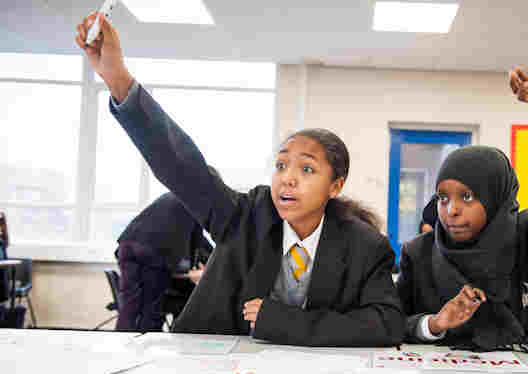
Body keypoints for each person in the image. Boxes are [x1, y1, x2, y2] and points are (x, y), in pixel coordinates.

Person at [74, 12, 404, 347]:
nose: (287, 179)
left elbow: (386, 323)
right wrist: (117, 78)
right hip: (214, 370)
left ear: (335, 185)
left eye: (306, 170)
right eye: (281, 166)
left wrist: (281, 321)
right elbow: (180, 164)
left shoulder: (364, 245)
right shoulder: (246, 215)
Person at [396, 68, 528, 351]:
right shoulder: (419, 254)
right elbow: (391, 321)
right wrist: (434, 323)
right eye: (442, 198)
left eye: (466, 197)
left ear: (494, 198)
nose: (450, 210)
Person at [115, 192, 213, 332]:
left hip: (127, 245)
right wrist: (210, 263)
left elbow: (195, 240)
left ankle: (122, 346)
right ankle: (144, 348)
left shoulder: (174, 194)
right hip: (152, 250)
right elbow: (197, 241)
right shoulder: (196, 199)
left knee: (129, 304)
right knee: (152, 307)